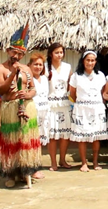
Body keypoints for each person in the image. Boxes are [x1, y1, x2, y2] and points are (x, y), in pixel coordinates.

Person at [0, 23, 43, 187]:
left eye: (20, 53)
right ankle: (10, 173)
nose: (16, 55)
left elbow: (33, 89)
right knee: (10, 141)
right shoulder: (0, 68)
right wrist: (12, 75)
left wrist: (28, 94)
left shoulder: (27, 69)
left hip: (26, 107)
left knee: (25, 141)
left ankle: (25, 172)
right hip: (9, 107)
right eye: (14, 52)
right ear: (8, 51)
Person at [69, 51, 107, 172]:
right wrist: (82, 104)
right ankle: (84, 163)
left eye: (92, 60)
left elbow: (104, 92)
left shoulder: (100, 75)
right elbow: (72, 94)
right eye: (87, 60)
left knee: (96, 137)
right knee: (83, 137)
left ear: (95, 62)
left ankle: (95, 162)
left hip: (97, 109)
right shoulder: (76, 76)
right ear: (83, 61)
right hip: (82, 109)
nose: (90, 63)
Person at [45, 43, 72, 171]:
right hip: (50, 105)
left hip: (64, 104)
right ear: (51, 54)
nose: (59, 55)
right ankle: (53, 162)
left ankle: (62, 159)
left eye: (61, 52)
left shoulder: (67, 67)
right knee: (53, 135)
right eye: (57, 52)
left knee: (64, 134)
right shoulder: (45, 67)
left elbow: (71, 85)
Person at [29, 53, 50, 146]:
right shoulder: (28, 79)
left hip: (44, 112)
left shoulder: (44, 78)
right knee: (31, 137)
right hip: (33, 111)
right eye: (35, 64)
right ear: (30, 65)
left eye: (40, 64)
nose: (38, 67)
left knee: (41, 137)